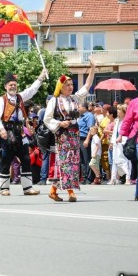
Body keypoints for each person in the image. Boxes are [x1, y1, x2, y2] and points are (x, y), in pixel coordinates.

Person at [44, 58, 95, 202]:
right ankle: (70, 192)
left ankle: (54, 191)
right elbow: (47, 118)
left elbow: (87, 85)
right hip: (62, 134)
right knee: (66, 162)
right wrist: (60, 123)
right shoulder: (54, 100)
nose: (70, 87)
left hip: (74, 133)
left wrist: (93, 68)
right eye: (67, 85)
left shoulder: (75, 98)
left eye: (72, 84)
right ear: (61, 86)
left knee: (73, 162)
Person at [0, 68, 48, 196]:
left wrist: (41, 77)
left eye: (14, 84)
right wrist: (1, 130)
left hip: (20, 132)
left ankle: (28, 188)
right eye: (10, 85)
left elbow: (32, 90)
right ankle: (4, 188)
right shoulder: (1, 100)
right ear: (5, 86)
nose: (13, 86)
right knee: (6, 159)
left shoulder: (20, 97)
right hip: (7, 131)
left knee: (26, 158)